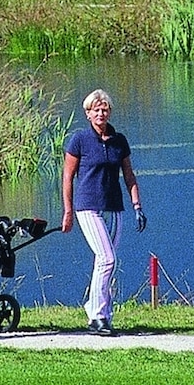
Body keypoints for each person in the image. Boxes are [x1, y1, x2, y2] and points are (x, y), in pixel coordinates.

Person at [61, 88, 144, 336]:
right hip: (88, 207)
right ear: (88, 114)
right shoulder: (79, 140)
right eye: (95, 109)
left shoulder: (119, 141)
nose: (101, 112)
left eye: (104, 108)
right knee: (107, 259)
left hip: (114, 208)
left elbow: (129, 175)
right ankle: (96, 316)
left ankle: (102, 313)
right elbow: (67, 177)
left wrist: (137, 206)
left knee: (104, 262)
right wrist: (67, 211)